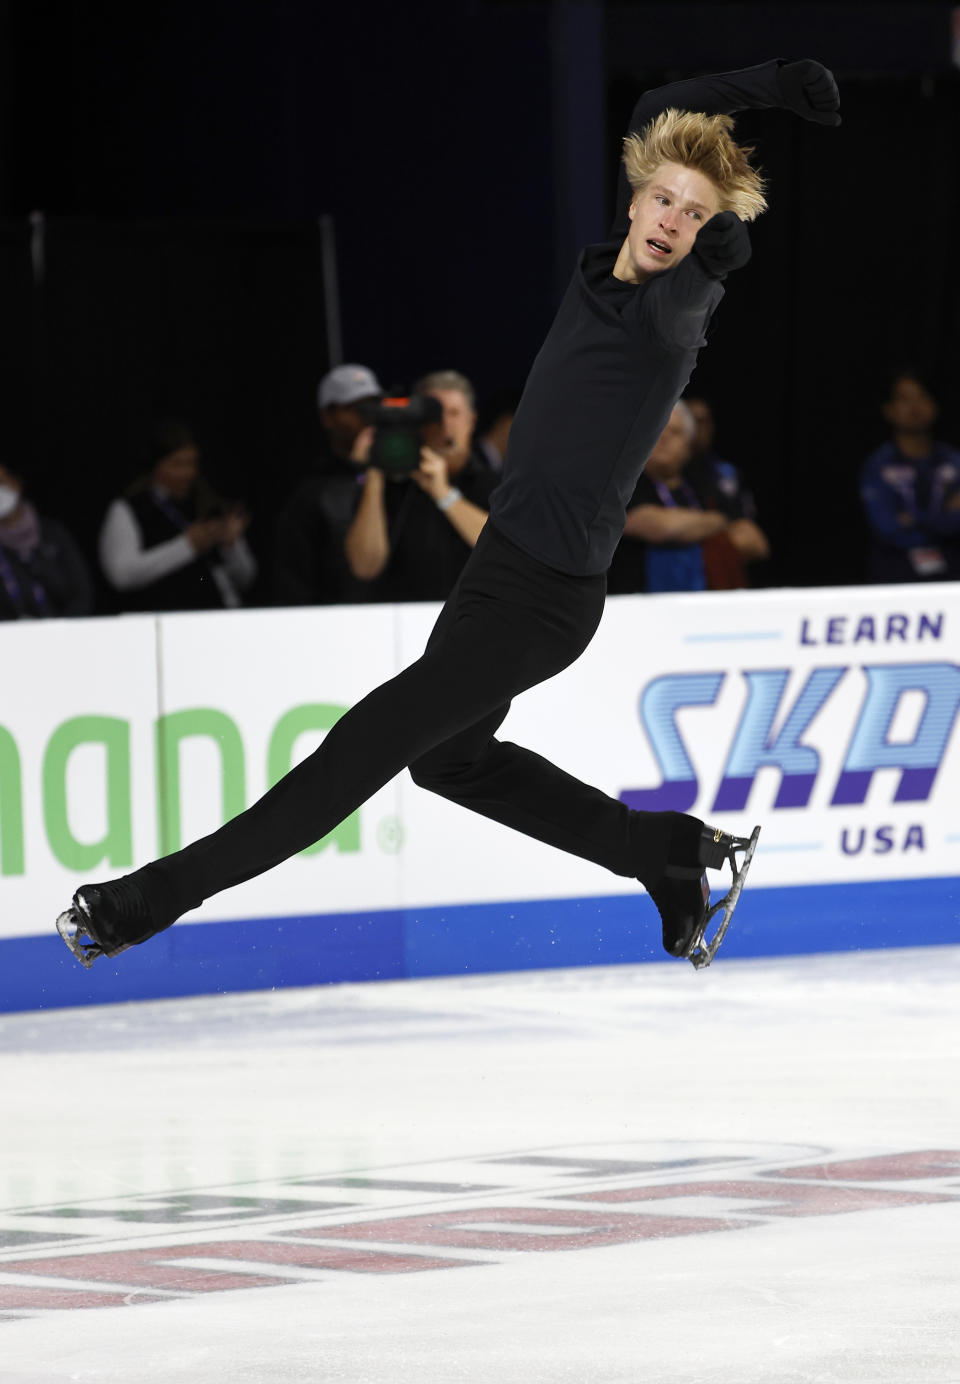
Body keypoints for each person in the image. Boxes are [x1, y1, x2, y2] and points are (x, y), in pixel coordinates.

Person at [57, 58, 840, 974]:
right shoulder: (609, 268)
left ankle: (147, 900)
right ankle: (659, 851)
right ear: (633, 199)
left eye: (693, 213)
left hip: (544, 601)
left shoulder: (669, 313)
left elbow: (712, 266)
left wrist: (723, 239)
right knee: (450, 761)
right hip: (497, 571)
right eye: (663, 199)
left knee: (360, 752)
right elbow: (657, 109)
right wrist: (773, 85)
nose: (672, 220)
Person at [343, 369, 498, 601]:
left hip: (475, 622)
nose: (445, 424)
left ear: (471, 420)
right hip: (402, 624)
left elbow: (502, 552)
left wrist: (444, 494)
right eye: (434, 413)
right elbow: (364, 567)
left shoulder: (495, 485)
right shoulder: (389, 486)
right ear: (417, 422)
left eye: (454, 413)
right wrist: (375, 470)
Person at [99, 421, 257, 611]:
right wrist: (187, 545)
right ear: (156, 465)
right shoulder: (130, 509)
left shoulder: (208, 505)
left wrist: (231, 546)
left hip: (217, 618)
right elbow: (121, 576)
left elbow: (245, 580)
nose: (187, 473)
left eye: (191, 463)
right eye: (177, 464)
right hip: (162, 622)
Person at [273, 363, 382, 606]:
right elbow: (294, 579)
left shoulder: (406, 476)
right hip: (336, 622)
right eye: (356, 408)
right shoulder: (311, 491)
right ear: (328, 417)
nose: (368, 418)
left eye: (374, 406)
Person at [608, 401, 731, 594]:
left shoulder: (702, 482)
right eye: (658, 429)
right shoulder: (623, 484)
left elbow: (747, 536)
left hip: (701, 600)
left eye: (674, 432)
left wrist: (689, 526)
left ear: (689, 445)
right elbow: (660, 527)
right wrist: (712, 523)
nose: (663, 437)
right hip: (635, 602)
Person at [859, 372, 960, 583]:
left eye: (922, 396)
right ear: (889, 409)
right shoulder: (878, 466)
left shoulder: (954, 462)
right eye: (904, 398)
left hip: (951, 575)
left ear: (935, 405)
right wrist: (943, 514)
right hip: (895, 576)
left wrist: (912, 518)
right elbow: (887, 527)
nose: (914, 406)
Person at [684, 394, 770, 587]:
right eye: (694, 420)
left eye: (706, 421)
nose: (700, 428)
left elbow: (753, 541)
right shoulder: (667, 475)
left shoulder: (726, 473)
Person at [0, 461, 93, 620]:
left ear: (17, 483)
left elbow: (82, 593)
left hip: (65, 633)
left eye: (1, 482)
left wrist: (60, 631)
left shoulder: (53, 534)